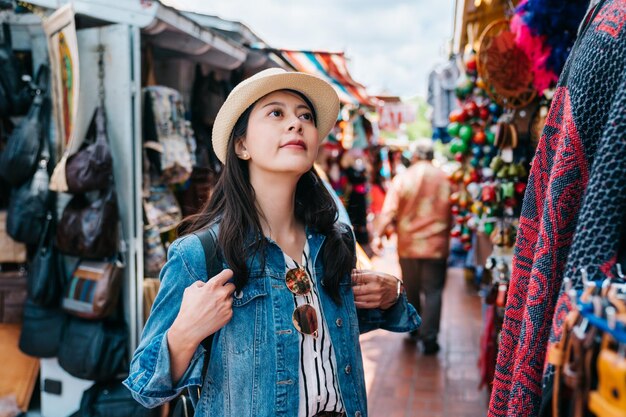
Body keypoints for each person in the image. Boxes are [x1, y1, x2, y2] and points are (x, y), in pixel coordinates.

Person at [124, 68, 419, 417]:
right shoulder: (200, 255)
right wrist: (185, 333)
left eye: (305, 116)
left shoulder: (334, 241)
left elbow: (336, 333)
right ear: (242, 145)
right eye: (276, 113)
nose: (295, 124)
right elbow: (144, 386)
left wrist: (392, 295)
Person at [372, 139, 451, 355]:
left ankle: (415, 328)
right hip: (437, 245)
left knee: (412, 289)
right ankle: (430, 338)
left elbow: (389, 211)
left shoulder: (403, 178)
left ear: (415, 156)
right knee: (433, 291)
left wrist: (378, 236)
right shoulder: (445, 178)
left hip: (408, 245)